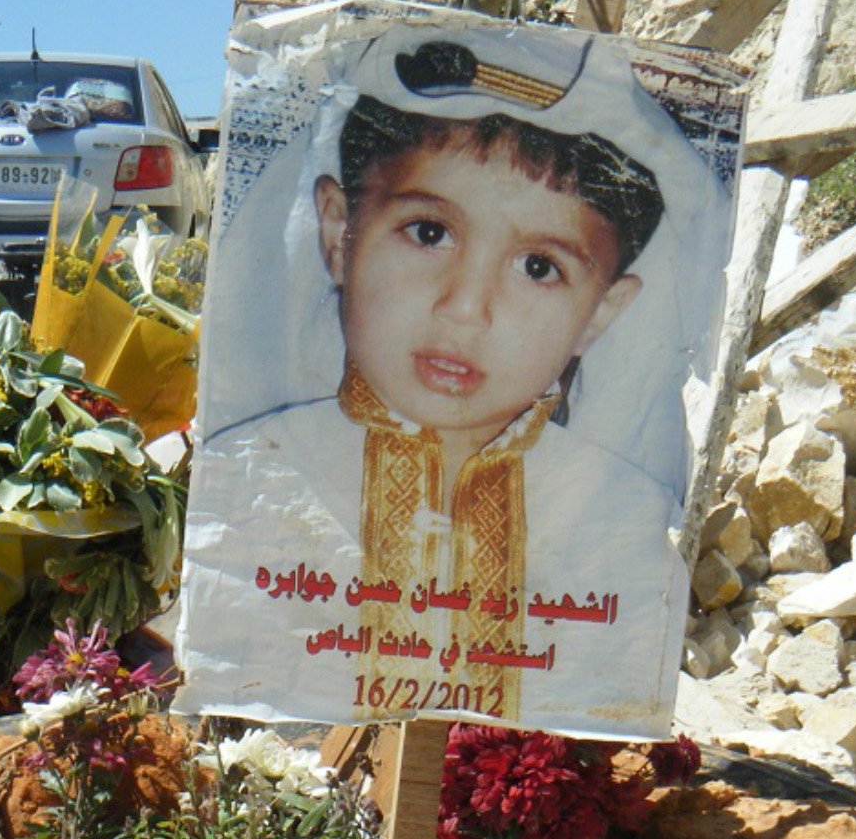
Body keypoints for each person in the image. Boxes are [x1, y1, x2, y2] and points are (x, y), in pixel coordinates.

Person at [193, 41, 681, 727]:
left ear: (600, 312)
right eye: (429, 233)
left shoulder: (627, 523)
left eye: (539, 268)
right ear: (339, 230)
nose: (465, 307)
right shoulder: (247, 477)